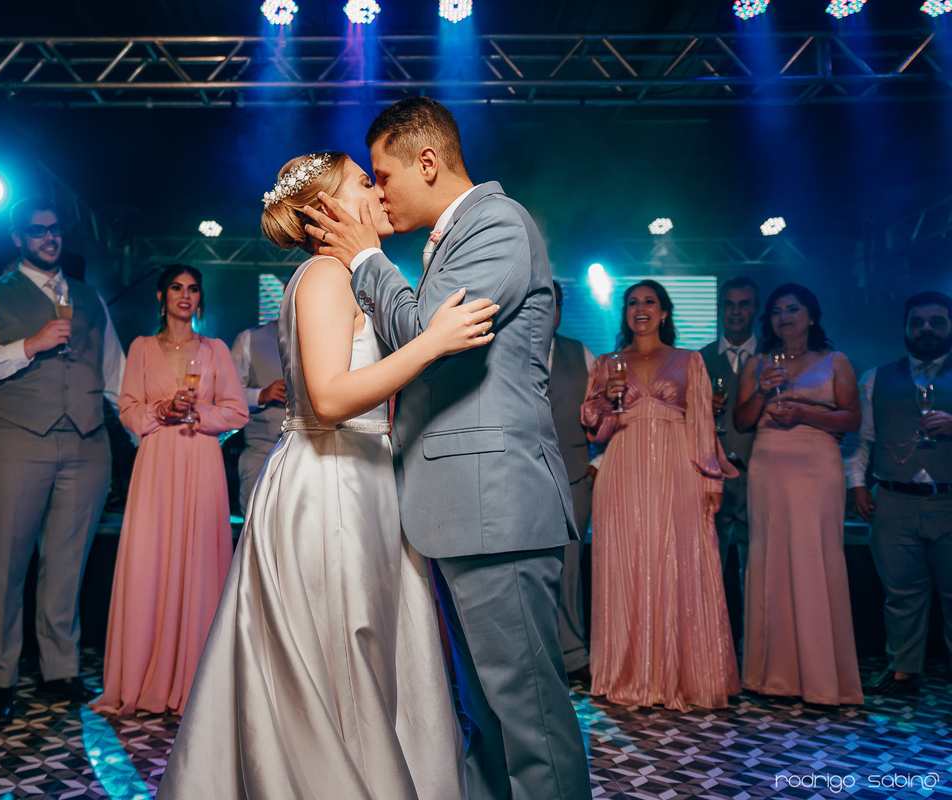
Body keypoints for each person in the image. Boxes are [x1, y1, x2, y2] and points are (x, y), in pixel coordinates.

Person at [158, 150, 498, 799]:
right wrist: (432, 341)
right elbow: (330, 397)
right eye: (365, 181)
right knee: (340, 652)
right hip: (331, 484)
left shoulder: (350, 277)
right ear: (327, 209)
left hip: (364, 478)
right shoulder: (322, 276)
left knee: (368, 651)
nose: (380, 189)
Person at [303, 97, 591, 800]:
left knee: (529, 720)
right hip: (459, 511)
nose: (378, 193)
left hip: (498, 509)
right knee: (485, 719)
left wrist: (365, 259)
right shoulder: (450, 239)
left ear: (427, 162)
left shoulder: (498, 223)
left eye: (383, 175)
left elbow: (429, 338)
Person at [0, 198, 127, 725]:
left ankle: (59, 669)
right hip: (13, 440)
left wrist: (150, 433)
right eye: (37, 230)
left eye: (55, 230)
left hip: (86, 443)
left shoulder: (89, 297)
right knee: (4, 565)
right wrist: (28, 345)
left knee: (67, 565)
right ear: (17, 237)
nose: (49, 238)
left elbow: (115, 375)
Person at [92, 265, 249, 717]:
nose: (185, 295)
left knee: (198, 559)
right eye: (177, 288)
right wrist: (162, 410)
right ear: (161, 297)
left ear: (200, 298)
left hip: (200, 458)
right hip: (157, 460)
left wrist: (201, 416)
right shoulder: (141, 348)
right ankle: (142, 678)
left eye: (193, 289)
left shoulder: (216, 349)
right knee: (150, 560)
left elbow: (237, 411)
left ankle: (195, 680)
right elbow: (127, 409)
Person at [581, 280, 739, 710]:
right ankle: (627, 672)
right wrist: (608, 401)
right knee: (625, 564)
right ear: (625, 313)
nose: (641, 308)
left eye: (649, 301)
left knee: (679, 560)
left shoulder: (689, 361)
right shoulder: (609, 363)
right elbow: (596, 428)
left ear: (664, 312)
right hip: (622, 471)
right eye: (632, 302)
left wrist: (711, 480)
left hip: (677, 468)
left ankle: (680, 673)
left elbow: (702, 423)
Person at [734, 283, 862, 705]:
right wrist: (761, 391)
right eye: (776, 311)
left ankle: (822, 678)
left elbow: (852, 419)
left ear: (812, 316)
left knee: (814, 559)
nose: (784, 317)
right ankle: (770, 676)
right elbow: (742, 421)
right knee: (769, 560)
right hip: (768, 468)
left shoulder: (835, 361)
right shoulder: (758, 362)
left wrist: (805, 413)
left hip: (817, 467)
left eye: (792, 309)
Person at [846, 291, 952, 696]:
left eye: (936, 321)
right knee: (901, 595)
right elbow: (861, 440)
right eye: (917, 322)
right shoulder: (876, 377)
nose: (926, 329)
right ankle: (903, 672)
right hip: (892, 499)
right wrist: (857, 484)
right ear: (906, 328)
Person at [548, 280, 599, 685]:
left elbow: (606, 414)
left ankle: (573, 652)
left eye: (555, 303)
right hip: (517, 478)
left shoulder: (581, 353)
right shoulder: (500, 347)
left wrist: (598, 463)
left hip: (573, 477)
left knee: (569, 570)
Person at [699, 277, 760, 578]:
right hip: (713, 474)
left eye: (744, 304)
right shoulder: (699, 359)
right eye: (729, 305)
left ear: (756, 309)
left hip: (760, 472)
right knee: (709, 569)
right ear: (719, 308)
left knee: (759, 569)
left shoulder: (772, 357)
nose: (736, 312)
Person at [231, 318, 286, 514]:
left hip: (309, 452)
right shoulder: (250, 339)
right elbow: (228, 396)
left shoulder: (322, 337)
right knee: (255, 517)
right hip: (261, 452)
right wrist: (261, 395)